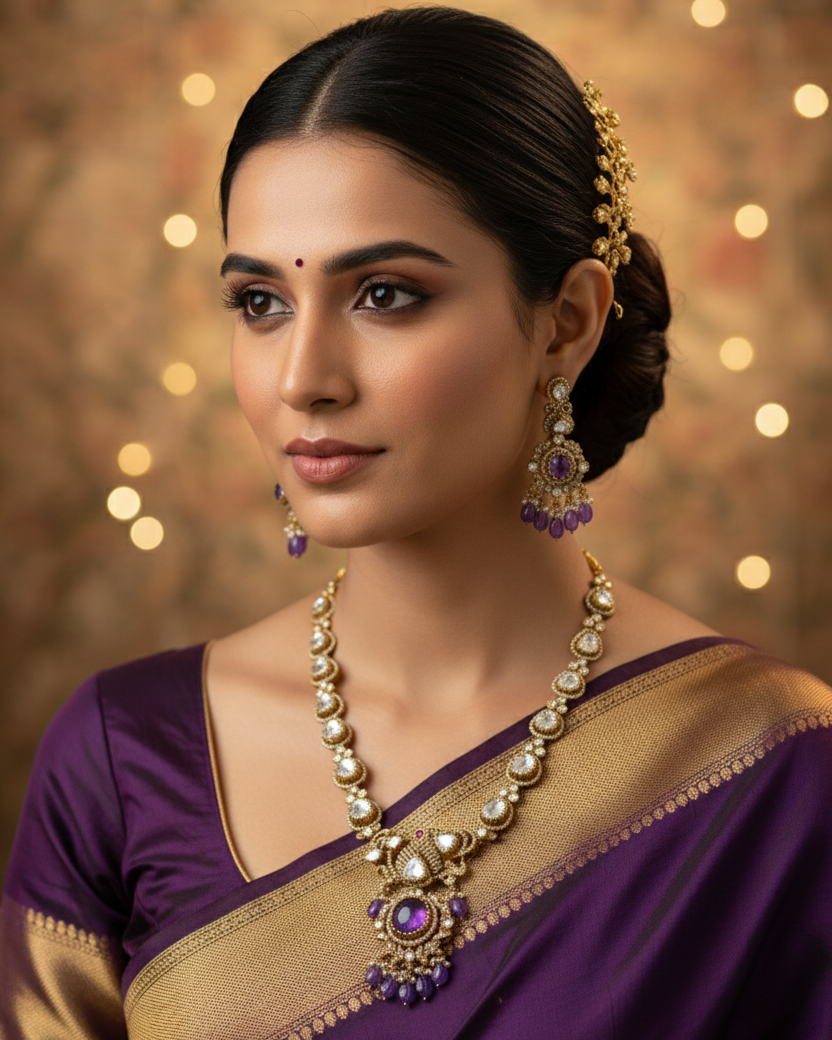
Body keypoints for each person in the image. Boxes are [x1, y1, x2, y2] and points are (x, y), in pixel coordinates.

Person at [2, 7, 831, 1038]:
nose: (303, 379)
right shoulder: (126, 756)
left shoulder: (772, 765)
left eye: (385, 294)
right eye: (260, 302)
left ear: (567, 322)